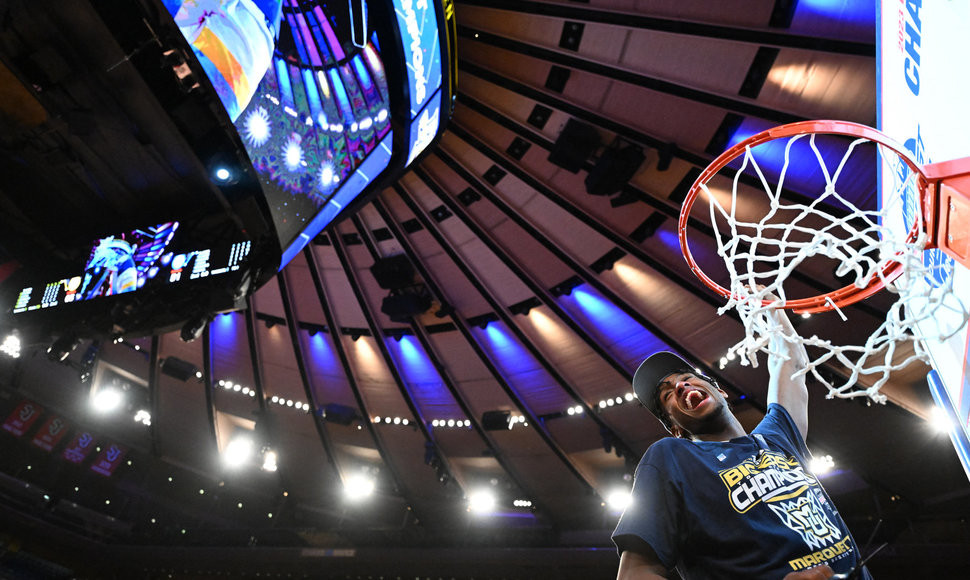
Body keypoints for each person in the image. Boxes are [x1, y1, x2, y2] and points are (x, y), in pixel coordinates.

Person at [613, 306, 872, 580]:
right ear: (676, 428)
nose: (680, 386)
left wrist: (772, 306)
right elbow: (635, 574)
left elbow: (790, 361)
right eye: (668, 396)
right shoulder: (672, 457)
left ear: (720, 390)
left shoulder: (777, 437)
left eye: (687, 378)